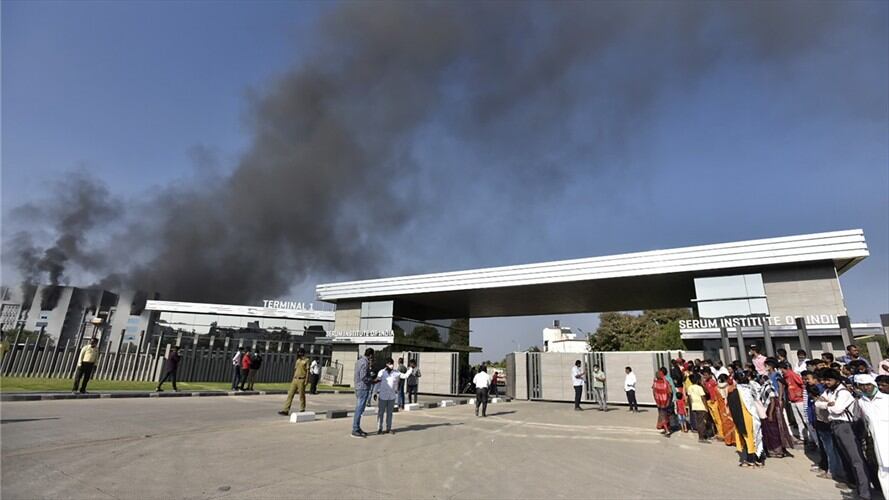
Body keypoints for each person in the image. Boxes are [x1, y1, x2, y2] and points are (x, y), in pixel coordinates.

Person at [815, 368, 872, 500]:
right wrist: (828, 404)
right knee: (845, 457)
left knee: (856, 459)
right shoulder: (830, 391)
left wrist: (828, 405)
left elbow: (837, 409)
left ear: (836, 379)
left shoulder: (843, 392)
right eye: (825, 380)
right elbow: (818, 403)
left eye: (829, 380)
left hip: (845, 426)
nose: (826, 383)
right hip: (835, 426)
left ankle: (865, 492)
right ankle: (854, 483)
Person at [855, 373, 888, 500]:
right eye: (862, 386)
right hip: (878, 442)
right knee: (884, 471)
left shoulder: (886, 399)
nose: (866, 388)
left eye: (868, 385)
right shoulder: (861, 402)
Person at [727, 370, 764, 467]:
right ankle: (758, 459)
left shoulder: (736, 391)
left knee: (748, 437)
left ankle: (750, 459)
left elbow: (732, 405)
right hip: (754, 416)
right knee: (756, 436)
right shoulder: (750, 388)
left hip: (743, 416)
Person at [761, 358, 795, 457]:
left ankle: (781, 446)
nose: (765, 367)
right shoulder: (767, 376)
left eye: (766, 365)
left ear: (770, 366)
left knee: (779, 423)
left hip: (776, 399)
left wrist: (780, 399)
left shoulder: (776, 375)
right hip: (769, 400)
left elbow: (781, 387)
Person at [374, 358, 413, 434]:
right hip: (383, 396)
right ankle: (379, 428)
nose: (391, 365)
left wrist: (411, 368)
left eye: (392, 363)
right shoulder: (382, 372)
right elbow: (378, 382)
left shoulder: (396, 372)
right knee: (381, 413)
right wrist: (375, 392)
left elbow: (405, 376)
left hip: (391, 396)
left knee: (390, 413)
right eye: (389, 363)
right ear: (386, 364)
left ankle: (389, 428)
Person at [780, 361, 811, 445]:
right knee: (798, 420)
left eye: (781, 369)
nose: (781, 371)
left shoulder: (792, 375)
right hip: (793, 400)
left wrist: (801, 392)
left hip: (799, 400)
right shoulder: (785, 377)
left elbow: (802, 383)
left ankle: (811, 437)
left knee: (805, 419)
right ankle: (803, 437)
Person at [351, 348, 375, 438]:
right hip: (363, 388)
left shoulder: (359, 361)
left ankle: (357, 427)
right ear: (371, 355)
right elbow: (363, 377)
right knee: (359, 409)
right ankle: (355, 428)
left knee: (359, 408)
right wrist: (372, 379)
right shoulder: (365, 363)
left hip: (358, 387)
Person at [278, 348, 310, 416]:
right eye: (298, 353)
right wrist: (293, 378)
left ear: (302, 353)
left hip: (302, 379)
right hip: (295, 379)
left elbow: (307, 371)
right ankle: (286, 410)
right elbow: (295, 370)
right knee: (290, 394)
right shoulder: (297, 360)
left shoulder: (306, 360)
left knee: (301, 395)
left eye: (299, 353)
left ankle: (302, 409)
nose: (298, 354)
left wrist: (306, 380)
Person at [687, 373, 712, 442]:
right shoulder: (700, 388)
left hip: (694, 406)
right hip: (701, 406)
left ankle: (701, 436)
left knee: (699, 422)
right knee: (702, 423)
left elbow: (689, 398)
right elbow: (703, 398)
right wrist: (706, 407)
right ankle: (702, 437)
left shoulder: (690, 388)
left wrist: (691, 406)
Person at [652, 368, 674, 436]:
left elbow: (654, 392)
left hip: (660, 402)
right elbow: (670, 392)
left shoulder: (655, 382)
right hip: (666, 401)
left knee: (662, 416)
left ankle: (667, 430)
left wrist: (656, 400)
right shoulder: (666, 382)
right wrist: (669, 400)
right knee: (666, 415)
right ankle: (667, 428)